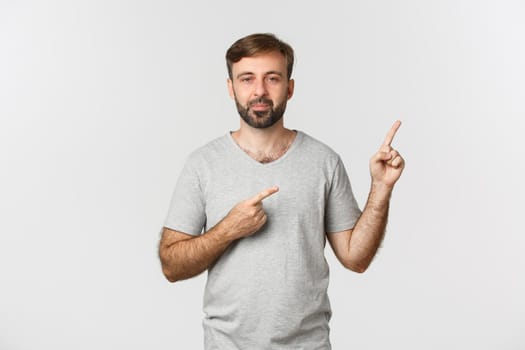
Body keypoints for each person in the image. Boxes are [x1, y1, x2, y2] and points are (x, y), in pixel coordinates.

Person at [159, 33, 405, 350]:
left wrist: (381, 188)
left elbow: (355, 258)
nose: (259, 91)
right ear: (230, 88)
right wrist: (227, 230)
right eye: (247, 79)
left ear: (289, 88)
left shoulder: (324, 161)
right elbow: (171, 265)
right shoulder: (202, 164)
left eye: (272, 78)